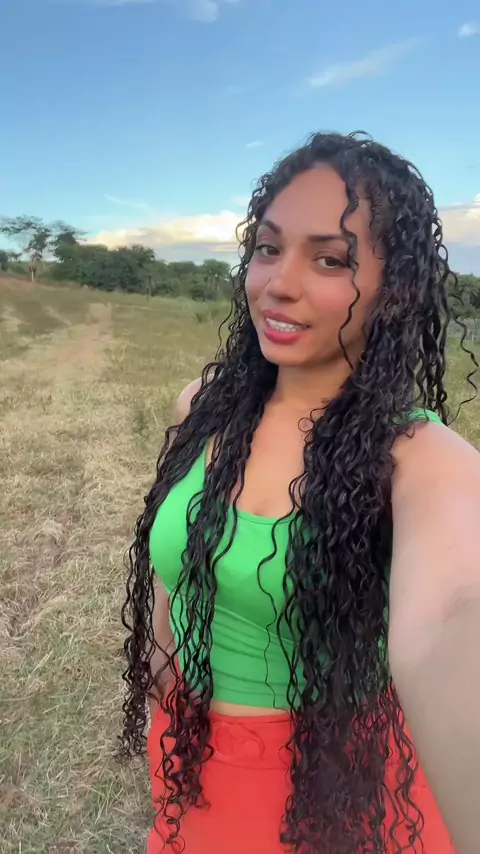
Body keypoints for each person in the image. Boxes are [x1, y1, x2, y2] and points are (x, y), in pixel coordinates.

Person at [120, 131, 480, 854]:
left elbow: (449, 631)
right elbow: (176, 543)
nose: (278, 284)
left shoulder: (423, 461)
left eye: (330, 259)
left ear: (396, 289)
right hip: (190, 748)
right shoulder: (204, 405)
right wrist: (161, 654)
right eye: (268, 248)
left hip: (333, 788)